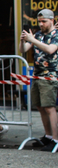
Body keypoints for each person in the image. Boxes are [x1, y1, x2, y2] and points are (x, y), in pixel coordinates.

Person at [19, 8, 58, 152]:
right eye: (39, 21)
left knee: (49, 107)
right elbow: (23, 50)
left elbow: (50, 50)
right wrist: (24, 40)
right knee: (40, 106)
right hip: (37, 74)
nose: (41, 24)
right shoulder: (38, 34)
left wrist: (32, 39)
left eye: (44, 21)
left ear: (52, 20)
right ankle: (47, 135)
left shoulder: (56, 34)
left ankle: (55, 139)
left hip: (50, 75)